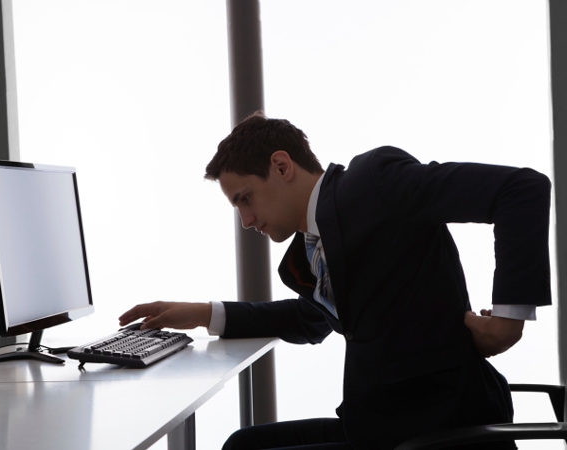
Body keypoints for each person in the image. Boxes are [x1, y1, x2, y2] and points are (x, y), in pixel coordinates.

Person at [119, 112, 552, 449]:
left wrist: (508, 321)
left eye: (245, 198)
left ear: (282, 165)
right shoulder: (310, 249)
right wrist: (203, 314)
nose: (246, 220)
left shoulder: (374, 183)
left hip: (432, 430)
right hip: (383, 426)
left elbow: (520, 189)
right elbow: (312, 319)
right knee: (243, 444)